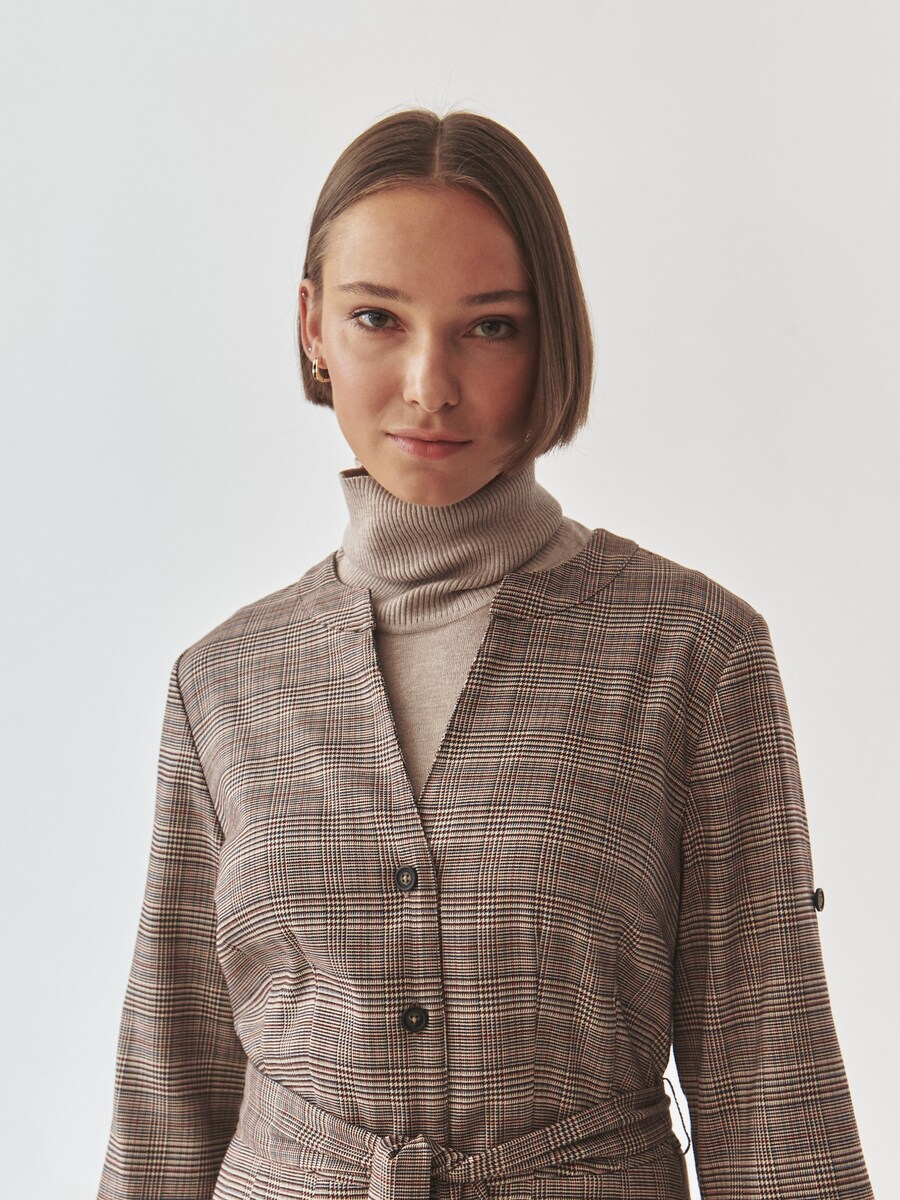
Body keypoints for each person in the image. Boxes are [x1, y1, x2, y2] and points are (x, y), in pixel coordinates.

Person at [97, 109, 873, 1200]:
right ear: (313, 326)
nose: (430, 383)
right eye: (377, 317)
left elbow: (769, 1085)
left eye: (491, 327)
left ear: (552, 339)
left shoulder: (692, 653)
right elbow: (169, 1088)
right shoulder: (223, 681)